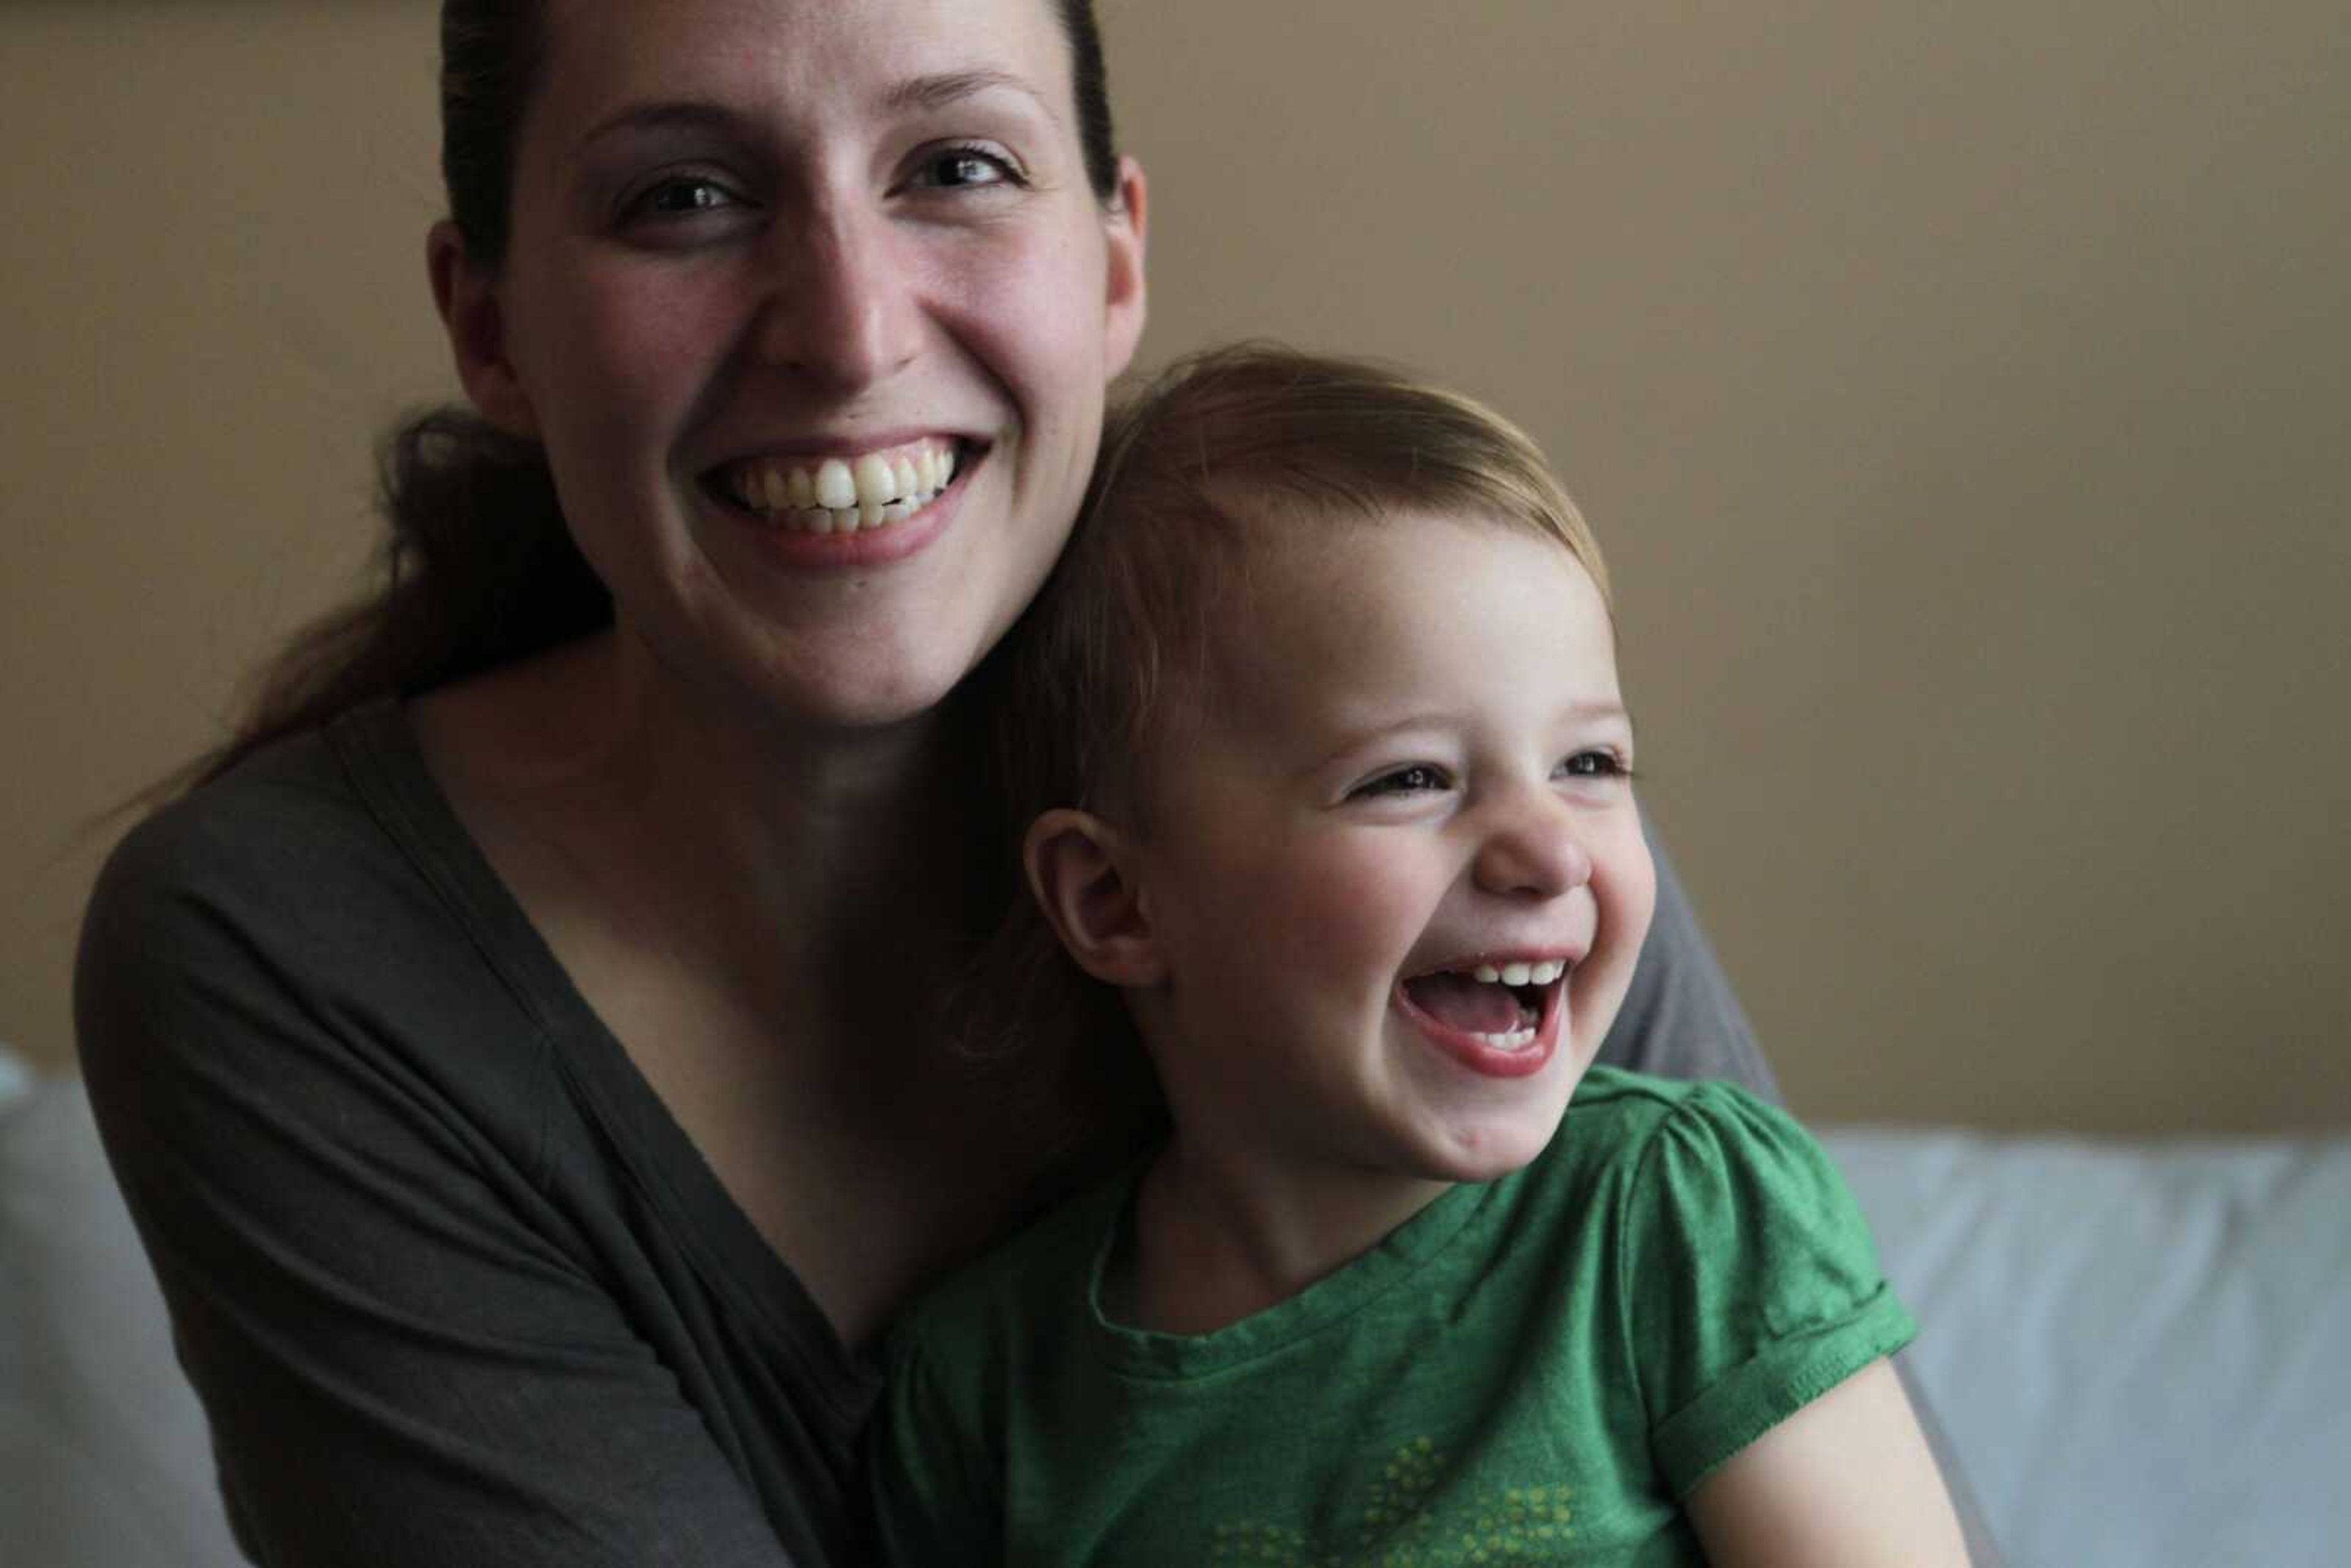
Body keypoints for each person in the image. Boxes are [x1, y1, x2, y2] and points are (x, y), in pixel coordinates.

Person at [70, 2, 1997, 1565]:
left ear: (1114, 257)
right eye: (680, 197)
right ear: (490, 322)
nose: (848, 327)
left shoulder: (1441, 800)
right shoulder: (300, 954)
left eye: (962, 166)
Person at [868, 345, 1973, 1565]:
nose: (1551, 852)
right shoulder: (986, 1397)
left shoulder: (1668, 1216)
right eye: (1412, 779)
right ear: (1117, 901)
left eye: (1590, 766)